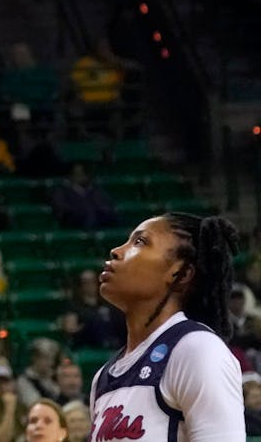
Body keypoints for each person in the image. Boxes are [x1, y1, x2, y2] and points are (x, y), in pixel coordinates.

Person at [90, 213, 244, 442]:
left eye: (140, 242)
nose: (117, 251)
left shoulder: (196, 349)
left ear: (179, 273)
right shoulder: (103, 377)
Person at [51, 163, 118, 231]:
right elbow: (63, 210)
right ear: (70, 176)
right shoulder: (62, 191)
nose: (81, 177)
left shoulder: (94, 189)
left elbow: (105, 205)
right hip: (74, 223)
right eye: (77, 174)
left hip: (99, 221)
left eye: (83, 174)